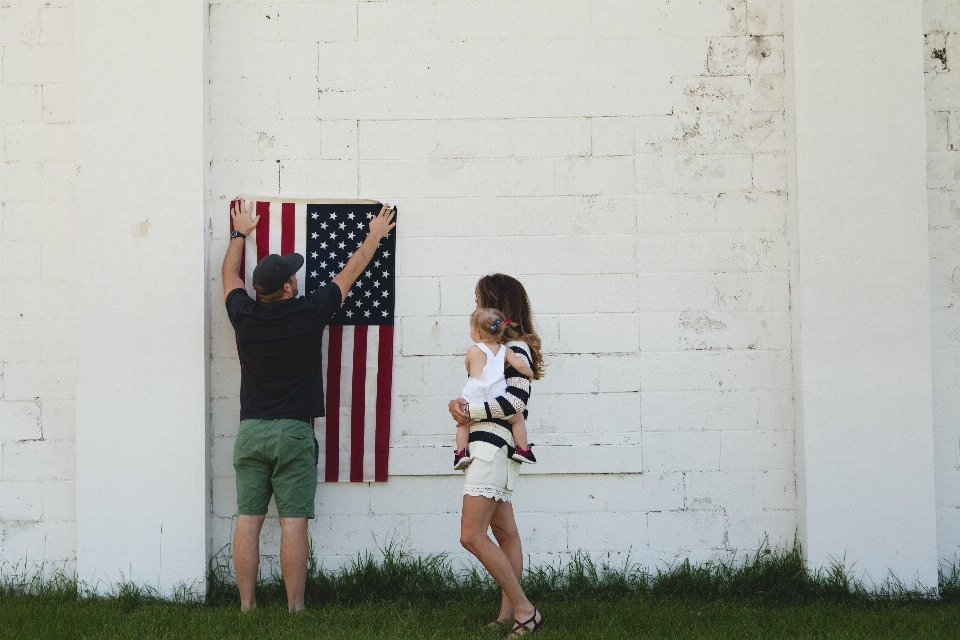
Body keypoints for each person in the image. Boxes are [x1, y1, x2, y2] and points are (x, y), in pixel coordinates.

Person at [222, 198, 395, 611]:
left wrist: (238, 233)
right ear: (286, 288)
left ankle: (247, 608)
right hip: (293, 433)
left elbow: (229, 274)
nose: (297, 279)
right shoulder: (307, 312)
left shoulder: (243, 314)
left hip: (251, 431)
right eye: (293, 277)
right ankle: (295, 609)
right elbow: (352, 270)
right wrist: (374, 234)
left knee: (248, 520)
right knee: (293, 521)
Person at [448, 274, 546, 636]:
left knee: (471, 535)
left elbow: (516, 402)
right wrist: (458, 404)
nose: (475, 308)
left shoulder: (514, 349)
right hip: (492, 448)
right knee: (505, 532)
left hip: (493, 448)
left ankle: (525, 610)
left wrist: (467, 413)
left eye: (478, 301)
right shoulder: (495, 350)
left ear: (495, 304)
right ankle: (508, 616)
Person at [454, 307, 537, 471]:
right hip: (496, 399)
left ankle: (461, 454)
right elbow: (520, 365)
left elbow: (469, 370)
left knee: (463, 425)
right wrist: (530, 374)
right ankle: (523, 449)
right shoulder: (506, 350)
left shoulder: (473, 350)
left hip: (474, 399)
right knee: (517, 418)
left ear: (478, 333)